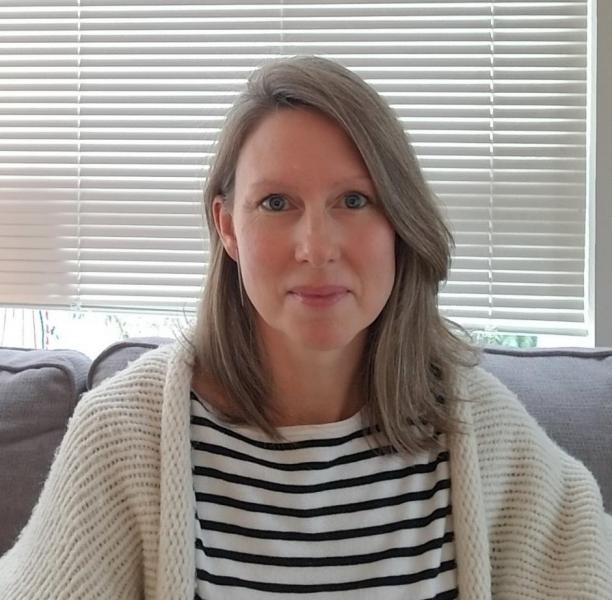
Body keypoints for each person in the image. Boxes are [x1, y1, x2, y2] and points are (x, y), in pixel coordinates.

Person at [0, 55, 610, 600]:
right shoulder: (124, 434)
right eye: (275, 203)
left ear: (399, 222)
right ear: (228, 228)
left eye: (354, 201)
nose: (316, 249)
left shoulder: (481, 429)